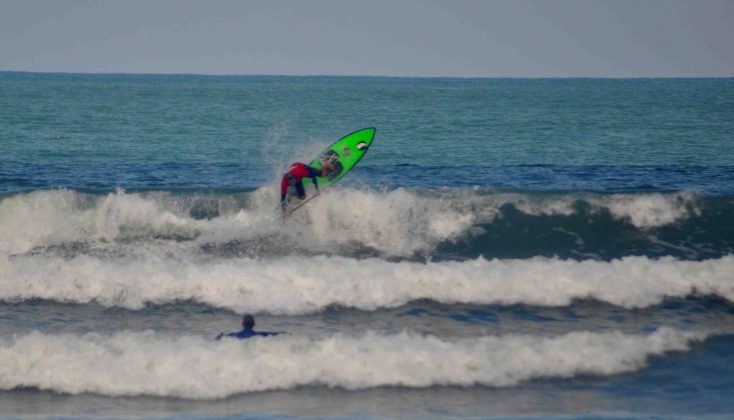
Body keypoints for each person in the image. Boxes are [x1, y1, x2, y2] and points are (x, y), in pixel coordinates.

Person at [215, 314, 281, 340]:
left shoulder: (235, 334)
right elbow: (275, 334)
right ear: (254, 324)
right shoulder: (259, 334)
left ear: (242, 324)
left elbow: (218, 338)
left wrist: (220, 336)